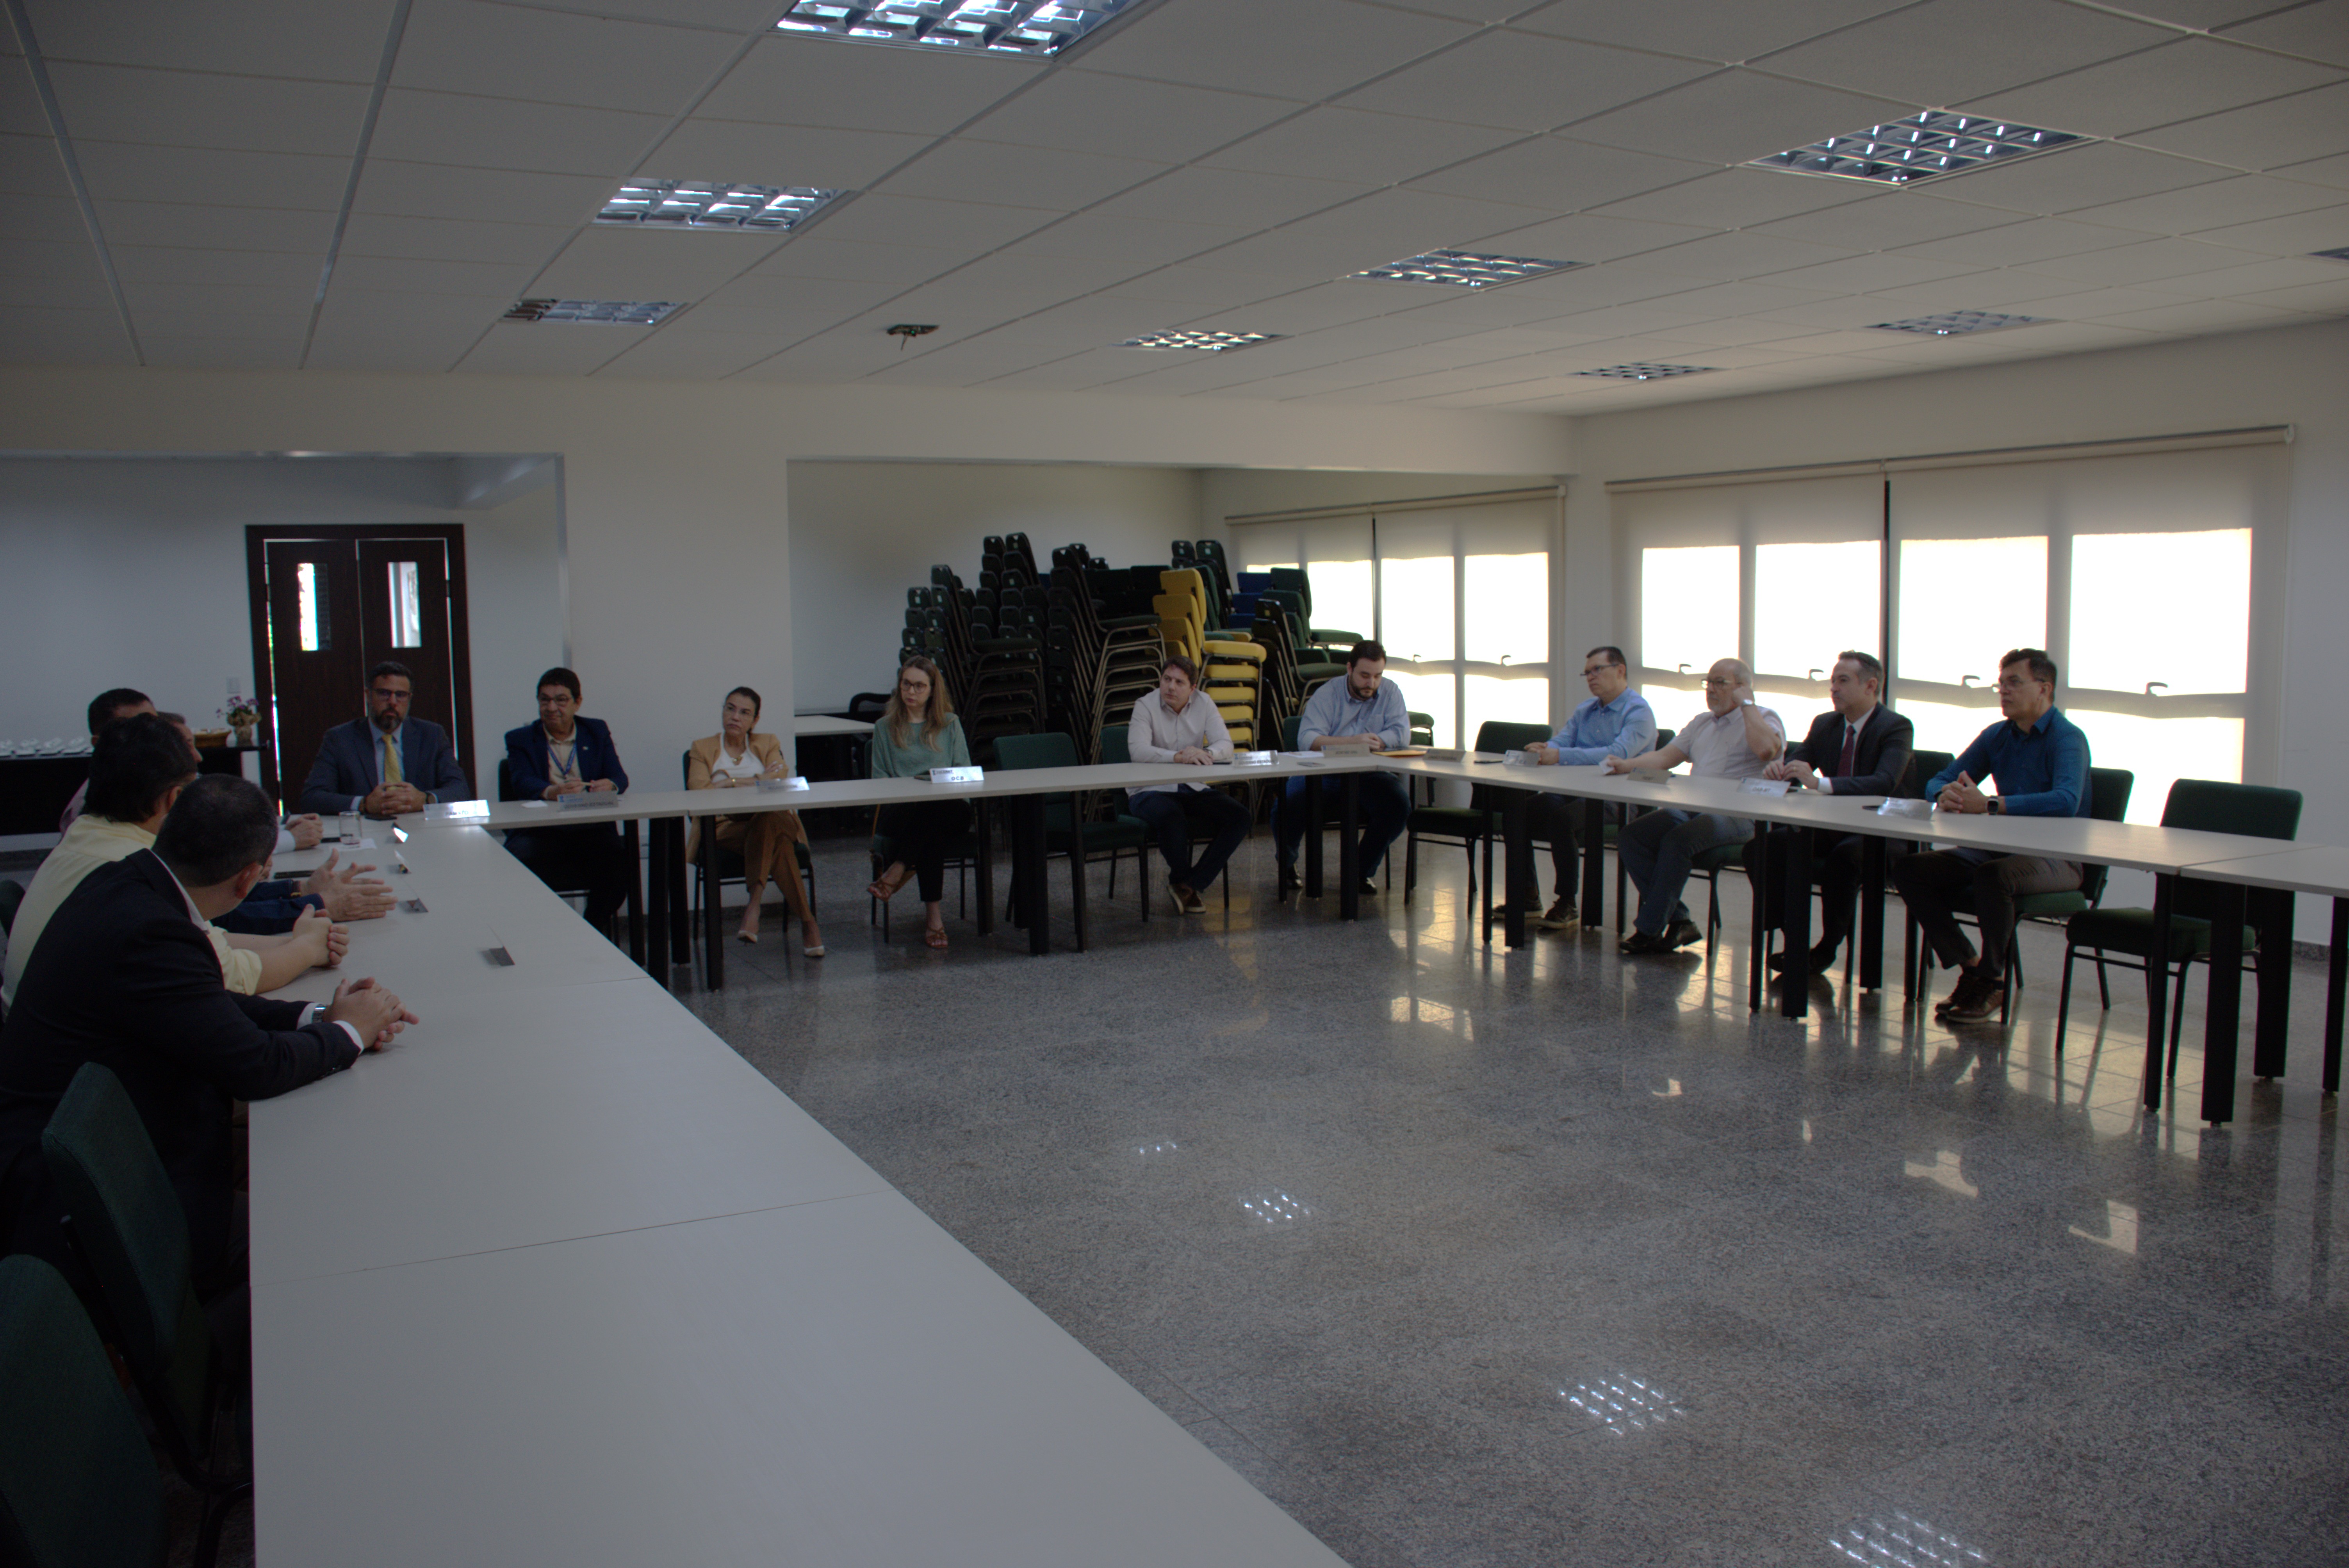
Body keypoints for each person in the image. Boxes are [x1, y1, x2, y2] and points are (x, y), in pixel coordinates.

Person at [0, 775, 414, 1288]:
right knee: (328, 1231)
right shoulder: (152, 930)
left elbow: (206, 1002)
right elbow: (256, 1067)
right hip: (91, 1203)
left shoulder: (127, 882)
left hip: (101, 1140)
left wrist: (320, 1015)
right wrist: (351, 1033)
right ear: (248, 879)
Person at [2, 716, 345, 1010]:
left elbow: (206, 941)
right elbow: (226, 976)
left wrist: (297, 940)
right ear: (176, 799)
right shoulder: (134, 870)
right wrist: (306, 950)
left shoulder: (88, 834)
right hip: (84, 1060)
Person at [1891, 648, 2091, 1023]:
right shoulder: (1997, 735)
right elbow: (1940, 778)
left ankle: (1995, 980)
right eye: (2001, 684)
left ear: (2044, 689)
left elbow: (2066, 800)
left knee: (1994, 876)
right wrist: (1945, 794)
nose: (2004, 691)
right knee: (1910, 869)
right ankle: (1971, 965)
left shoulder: (2068, 738)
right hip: (1998, 850)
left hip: (2058, 859)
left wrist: (1990, 805)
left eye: (2014, 683)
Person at [1604, 657, 1784, 954]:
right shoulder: (1702, 722)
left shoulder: (1764, 717)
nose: (1710, 689)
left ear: (1743, 687)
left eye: (1720, 683)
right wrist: (1627, 765)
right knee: (1632, 836)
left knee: (1679, 840)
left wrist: (1748, 704)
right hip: (1694, 807)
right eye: (1708, 682)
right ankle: (1680, 921)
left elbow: (1767, 749)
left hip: (1742, 815)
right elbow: (1665, 758)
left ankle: (1649, 930)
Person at [1757, 651, 1915, 976]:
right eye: (1832, 681)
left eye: (1843, 681)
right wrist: (1781, 771)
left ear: (1871, 686)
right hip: (1835, 824)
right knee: (1766, 847)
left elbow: (1884, 782)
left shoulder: (1896, 726)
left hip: (1884, 831)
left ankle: (1826, 950)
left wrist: (1819, 783)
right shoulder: (1825, 723)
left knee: (1844, 860)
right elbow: (1801, 762)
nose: (1834, 688)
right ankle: (1794, 936)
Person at [1508, 645, 1657, 928]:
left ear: (1620, 671)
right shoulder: (1586, 709)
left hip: (1619, 800)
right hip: (1577, 791)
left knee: (1562, 819)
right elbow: (1563, 740)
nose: (1591, 677)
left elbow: (1617, 754)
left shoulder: (1639, 711)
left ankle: (1567, 901)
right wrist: (1546, 748)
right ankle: (1527, 896)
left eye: (1597, 670)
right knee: (1519, 812)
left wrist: (1560, 756)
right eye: (1587, 673)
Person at [686, 686, 825, 956]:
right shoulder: (702, 748)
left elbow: (781, 780)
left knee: (767, 819)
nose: (735, 717)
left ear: (755, 720)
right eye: (730, 709)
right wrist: (760, 780)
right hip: (725, 827)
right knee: (780, 844)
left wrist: (729, 782)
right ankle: (808, 923)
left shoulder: (768, 742)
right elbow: (699, 791)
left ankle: (754, 906)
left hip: (775, 818)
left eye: (744, 713)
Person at [501, 666, 635, 938]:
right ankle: (546, 935)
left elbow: (620, 778)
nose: (552, 708)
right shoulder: (520, 739)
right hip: (540, 832)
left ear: (577, 702)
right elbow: (521, 782)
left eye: (561, 700)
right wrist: (552, 791)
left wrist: (610, 785)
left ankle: (588, 933)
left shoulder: (595, 731)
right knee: (520, 862)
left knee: (620, 864)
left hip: (590, 829)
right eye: (545, 700)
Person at [1274, 640, 1413, 896]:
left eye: (1377, 676)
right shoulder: (1328, 693)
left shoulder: (1391, 691)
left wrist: (1380, 740)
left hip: (1369, 774)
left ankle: (1359, 871)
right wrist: (1353, 742)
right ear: (1349, 668)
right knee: (1287, 804)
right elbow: (1307, 739)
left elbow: (1402, 733)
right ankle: (1288, 864)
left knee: (1398, 806)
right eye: (1364, 675)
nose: (1371, 683)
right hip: (1322, 772)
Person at [1126, 655, 1249, 913]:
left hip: (1191, 786)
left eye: (1179, 683)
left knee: (1240, 816)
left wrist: (1206, 753)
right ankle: (1182, 881)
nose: (1171, 687)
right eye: (1166, 679)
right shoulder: (1145, 705)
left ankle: (1190, 884)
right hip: (1149, 789)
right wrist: (1178, 757)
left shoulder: (1204, 703)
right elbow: (1138, 751)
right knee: (1172, 817)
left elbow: (1226, 745)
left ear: (1193, 688)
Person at [866, 657, 971, 950]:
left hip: (950, 808)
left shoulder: (950, 724)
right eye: (906, 684)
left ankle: (898, 868)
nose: (911, 692)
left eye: (919, 686)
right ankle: (934, 918)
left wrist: (933, 784)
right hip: (903, 811)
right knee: (929, 828)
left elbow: (964, 772)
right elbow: (880, 780)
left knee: (933, 810)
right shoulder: (885, 727)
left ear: (933, 690)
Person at [297, 660, 469, 818]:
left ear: (409, 699)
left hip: (420, 827)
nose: (393, 702)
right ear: (368, 695)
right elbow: (312, 798)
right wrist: (364, 804)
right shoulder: (340, 739)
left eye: (401, 695)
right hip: (367, 829)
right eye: (384, 694)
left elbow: (460, 790)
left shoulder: (432, 735)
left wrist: (425, 799)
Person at [55, 687, 153, 833]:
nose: (153, 737)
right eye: (134, 732)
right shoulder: (88, 810)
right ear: (99, 743)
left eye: (156, 726)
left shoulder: (157, 785)